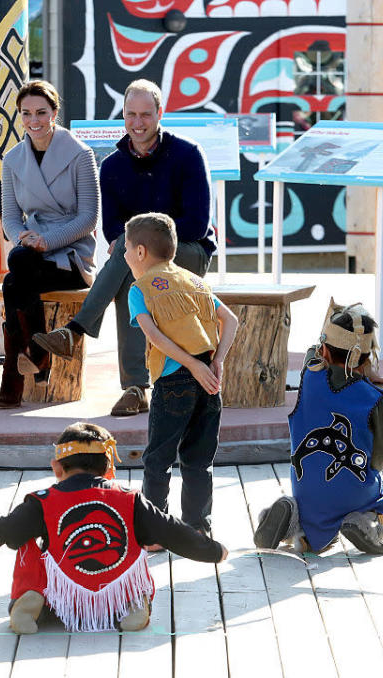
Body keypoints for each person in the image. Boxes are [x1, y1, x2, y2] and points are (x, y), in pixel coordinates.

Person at [33, 79, 216, 417]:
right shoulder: (113, 165)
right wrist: (136, 247)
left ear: (160, 114)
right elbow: (112, 227)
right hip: (136, 261)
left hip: (189, 253)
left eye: (146, 114)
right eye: (131, 114)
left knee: (128, 257)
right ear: (123, 116)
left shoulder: (188, 155)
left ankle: (79, 336)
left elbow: (197, 224)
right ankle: (135, 388)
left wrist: (141, 243)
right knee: (131, 272)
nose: (138, 122)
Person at [0, 422, 226, 634]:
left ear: (57, 467)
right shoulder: (129, 499)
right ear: (109, 467)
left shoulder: (43, 501)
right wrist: (213, 550)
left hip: (64, 605)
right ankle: (132, 604)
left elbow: (5, 529)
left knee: (24, 540)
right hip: (112, 602)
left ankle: (30, 601)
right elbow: (172, 530)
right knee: (140, 540)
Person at [255, 303, 383, 555]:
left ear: (324, 349)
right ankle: (366, 522)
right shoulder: (374, 398)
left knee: (312, 510)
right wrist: (368, 375)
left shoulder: (309, 377)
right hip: (355, 488)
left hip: (308, 489)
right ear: (368, 358)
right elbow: (378, 461)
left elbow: (313, 350)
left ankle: (292, 520)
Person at [123, 213, 237, 538]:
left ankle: (156, 533)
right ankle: (198, 529)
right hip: (210, 382)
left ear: (141, 252)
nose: (125, 255)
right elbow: (230, 320)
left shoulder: (140, 289)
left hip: (175, 381)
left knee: (158, 458)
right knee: (199, 459)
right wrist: (216, 361)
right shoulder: (195, 281)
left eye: (127, 249)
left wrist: (191, 365)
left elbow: (155, 337)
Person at [0, 80, 100, 408]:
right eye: (26, 113)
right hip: (32, 250)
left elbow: (88, 218)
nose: (34, 119)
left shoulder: (81, 154)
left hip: (73, 255)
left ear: (55, 112)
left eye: (41, 112)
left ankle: (15, 375)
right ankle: (37, 355)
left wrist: (47, 241)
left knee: (17, 272)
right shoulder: (12, 159)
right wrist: (25, 237)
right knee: (17, 272)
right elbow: (10, 217)